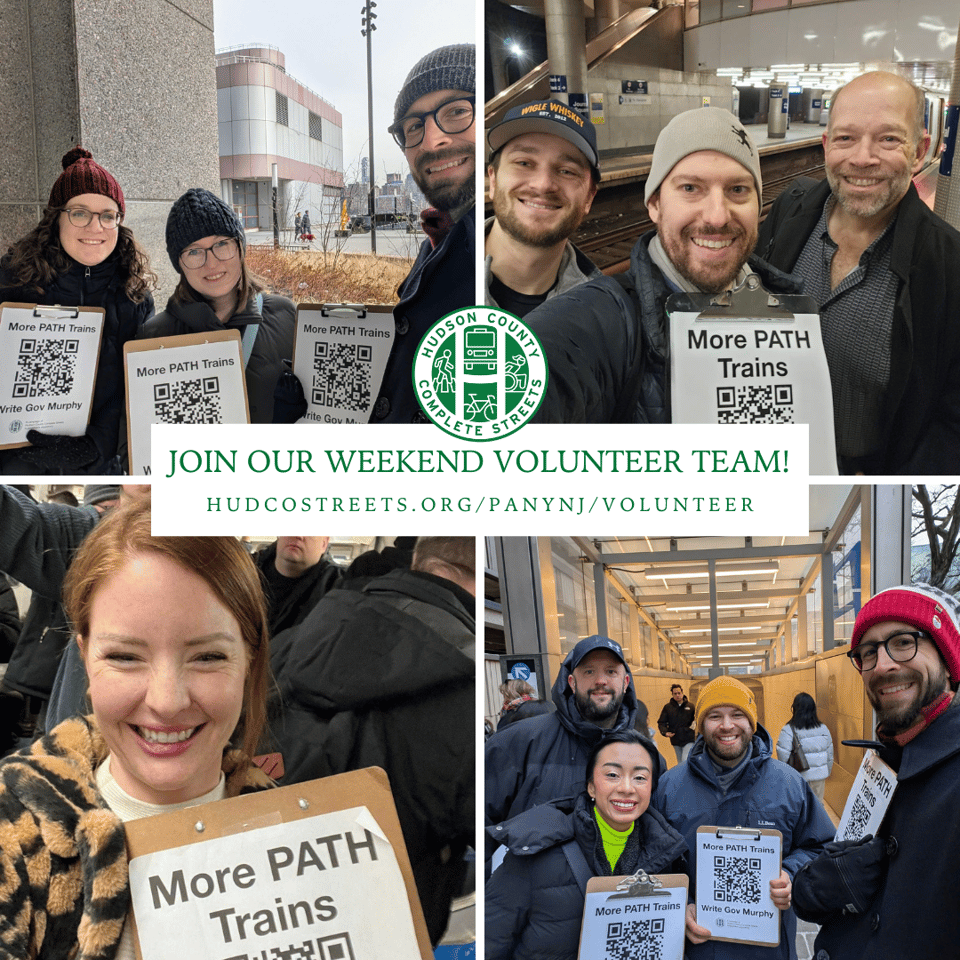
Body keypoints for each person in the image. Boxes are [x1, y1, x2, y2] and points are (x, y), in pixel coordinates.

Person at [0, 498, 273, 960]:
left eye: (208, 656)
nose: (167, 703)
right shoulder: (11, 838)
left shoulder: (305, 836)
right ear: (84, 657)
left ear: (250, 660)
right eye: (125, 657)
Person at [523, 107, 800, 423]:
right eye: (690, 188)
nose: (717, 216)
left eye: (738, 190)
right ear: (654, 204)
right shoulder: (591, 324)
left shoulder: (790, 312)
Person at [269, 536, 475, 946]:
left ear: (420, 560)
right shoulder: (463, 691)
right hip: (386, 930)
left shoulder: (288, 643)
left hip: (267, 914)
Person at [757, 71, 960, 474]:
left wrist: (884, 493)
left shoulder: (949, 266)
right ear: (826, 145)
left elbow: (952, 422)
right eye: (846, 138)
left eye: (888, 139)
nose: (862, 158)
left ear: (920, 150)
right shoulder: (788, 213)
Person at [792, 583, 960, 958]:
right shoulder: (885, 762)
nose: (883, 665)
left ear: (949, 663)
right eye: (869, 652)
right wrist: (818, 885)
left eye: (903, 642)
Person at [654, 675, 834, 960]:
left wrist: (789, 874)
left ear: (752, 723)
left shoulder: (788, 784)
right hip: (699, 948)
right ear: (700, 726)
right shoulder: (669, 788)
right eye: (714, 716)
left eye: (738, 715)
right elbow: (654, 861)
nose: (727, 725)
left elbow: (820, 846)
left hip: (769, 949)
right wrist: (681, 902)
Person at [0, 147, 155, 473]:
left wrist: (96, 445)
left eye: (107, 215)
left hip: (100, 467)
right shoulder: (10, 285)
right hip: (16, 466)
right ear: (56, 218)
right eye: (80, 213)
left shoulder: (135, 298)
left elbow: (136, 393)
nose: (95, 227)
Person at [485, 730, 687, 960]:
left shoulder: (665, 852)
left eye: (640, 777)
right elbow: (490, 940)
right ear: (591, 786)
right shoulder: (535, 850)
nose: (627, 788)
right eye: (612, 774)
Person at [374, 43, 476, 423]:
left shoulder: (506, 253)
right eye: (415, 126)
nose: (433, 141)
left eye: (457, 112)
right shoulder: (438, 240)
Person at [138, 187, 296, 424]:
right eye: (194, 251)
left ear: (240, 248)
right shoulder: (153, 337)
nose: (211, 263)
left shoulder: (286, 316)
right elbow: (136, 444)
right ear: (179, 263)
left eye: (222, 244)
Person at [485, 635, 638, 872]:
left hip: (613, 903)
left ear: (625, 681)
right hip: (533, 905)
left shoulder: (644, 757)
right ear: (572, 682)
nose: (600, 681)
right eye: (588, 672)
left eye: (610, 672)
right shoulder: (517, 743)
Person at [484, 99, 601, 316]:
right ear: (493, 179)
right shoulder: (440, 277)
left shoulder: (605, 315)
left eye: (567, 171)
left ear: (589, 198)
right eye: (524, 163)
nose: (543, 184)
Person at [775, 691, 834, 801]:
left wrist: (787, 775)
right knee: (818, 807)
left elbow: (782, 754)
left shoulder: (788, 729)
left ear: (795, 709)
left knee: (800, 807)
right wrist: (827, 771)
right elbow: (829, 754)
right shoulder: (823, 728)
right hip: (819, 777)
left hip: (798, 777)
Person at [657, 682, 696, 764]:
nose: (677, 695)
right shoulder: (668, 707)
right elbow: (661, 722)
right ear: (672, 695)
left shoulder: (691, 706)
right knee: (680, 762)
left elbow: (696, 720)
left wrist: (693, 728)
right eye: (675, 694)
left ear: (682, 693)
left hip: (689, 738)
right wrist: (665, 732)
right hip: (675, 739)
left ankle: (686, 776)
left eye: (679, 693)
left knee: (685, 760)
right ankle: (684, 775)